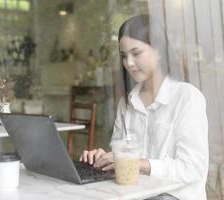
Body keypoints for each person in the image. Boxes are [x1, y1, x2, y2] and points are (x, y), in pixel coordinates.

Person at [79, 15, 209, 200]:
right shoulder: (127, 102)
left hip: (172, 196)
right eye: (124, 56)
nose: (129, 63)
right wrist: (104, 158)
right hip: (136, 194)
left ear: (159, 51)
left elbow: (192, 168)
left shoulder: (187, 97)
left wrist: (136, 163)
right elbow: (122, 154)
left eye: (136, 53)